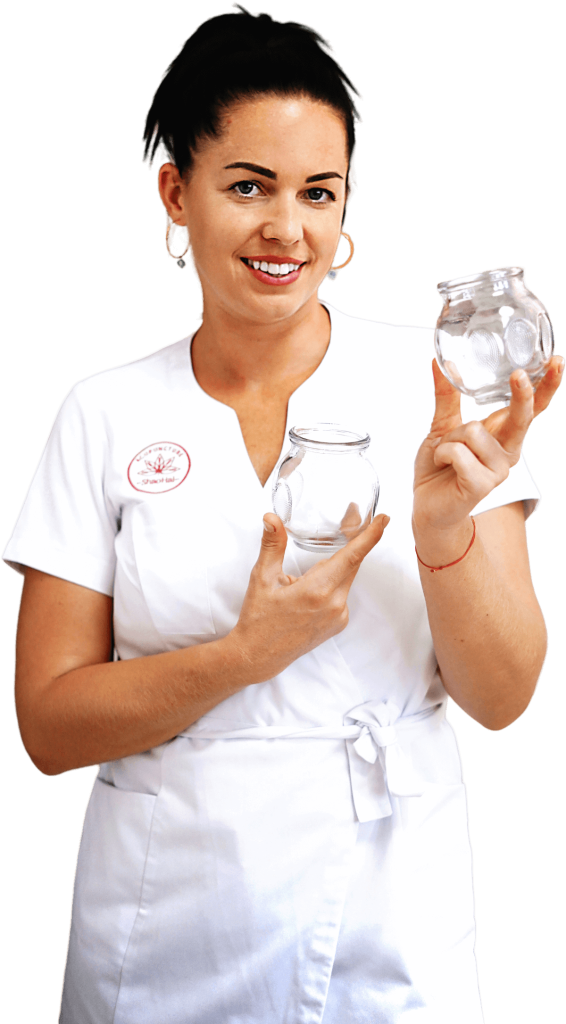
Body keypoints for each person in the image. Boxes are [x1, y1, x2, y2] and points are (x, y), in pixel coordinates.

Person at [3, 6, 563, 1023]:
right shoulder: (103, 411)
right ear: (175, 192)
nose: (286, 230)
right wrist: (245, 655)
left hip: (384, 925)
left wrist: (444, 536)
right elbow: (47, 726)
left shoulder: (436, 382)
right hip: (167, 932)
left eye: (317, 192)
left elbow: (503, 698)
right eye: (248, 186)